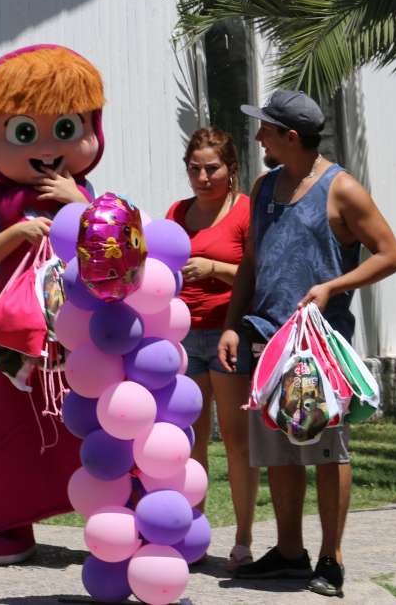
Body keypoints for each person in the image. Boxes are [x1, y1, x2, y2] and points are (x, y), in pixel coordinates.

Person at [218, 90, 396, 597]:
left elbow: (390, 255)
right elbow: (251, 262)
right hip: (268, 338)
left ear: (291, 136)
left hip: (320, 347)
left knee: (325, 449)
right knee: (279, 448)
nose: (259, 137)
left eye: (267, 129)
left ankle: (331, 559)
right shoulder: (263, 187)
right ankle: (289, 552)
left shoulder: (342, 189)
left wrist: (332, 287)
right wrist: (233, 324)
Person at [0, 45, 105, 565]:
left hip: (83, 339)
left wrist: (81, 205)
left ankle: (110, 523)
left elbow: (115, 249)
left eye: (65, 128)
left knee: (91, 425)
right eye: (25, 132)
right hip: (18, 340)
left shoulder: (88, 193)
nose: (47, 147)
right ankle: (12, 527)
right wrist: (18, 232)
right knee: (15, 429)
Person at [166, 127, 257, 572]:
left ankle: (243, 540)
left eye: (212, 169)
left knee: (237, 443)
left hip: (228, 334)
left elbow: (258, 273)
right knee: (191, 442)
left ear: (231, 168)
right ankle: (193, 534)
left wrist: (215, 267)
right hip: (183, 336)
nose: (203, 178)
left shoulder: (245, 211)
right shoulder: (177, 212)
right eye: (194, 169)